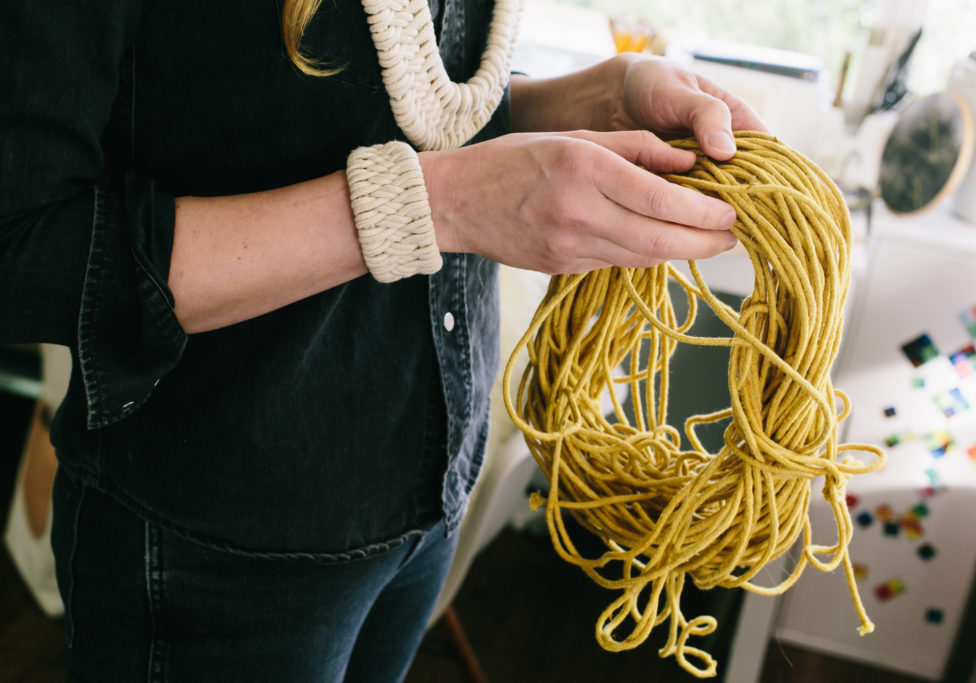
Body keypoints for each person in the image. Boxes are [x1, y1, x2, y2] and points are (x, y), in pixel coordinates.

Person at [0, 0, 766, 680]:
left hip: (425, 493)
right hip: (222, 540)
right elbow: (21, 254)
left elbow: (376, 107)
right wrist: (442, 206)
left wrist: (597, 99)